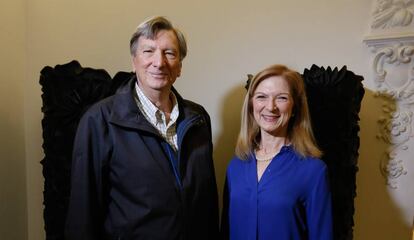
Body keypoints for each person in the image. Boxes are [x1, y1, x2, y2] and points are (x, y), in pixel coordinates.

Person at [65, 16, 219, 240]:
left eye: (169, 53)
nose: (159, 62)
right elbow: (82, 215)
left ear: (180, 67)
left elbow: (208, 203)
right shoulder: (99, 121)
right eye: (148, 51)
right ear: (134, 61)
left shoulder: (198, 119)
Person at [221, 64, 333, 240]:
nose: (270, 107)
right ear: (251, 105)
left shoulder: (314, 171)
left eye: (281, 98)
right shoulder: (235, 166)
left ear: (295, 107)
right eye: (261, 97)